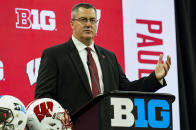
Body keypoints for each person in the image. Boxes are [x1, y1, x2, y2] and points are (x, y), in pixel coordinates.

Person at [35, 3, 171, 115]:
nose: (88, 24)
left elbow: (126, 90)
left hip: (107, 125)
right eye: (83, 20)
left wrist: (155, 78)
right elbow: (44, 97)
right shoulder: (55, 55)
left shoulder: (109, 57)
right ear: (72, 24)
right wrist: (61, 120)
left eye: (92, 20)